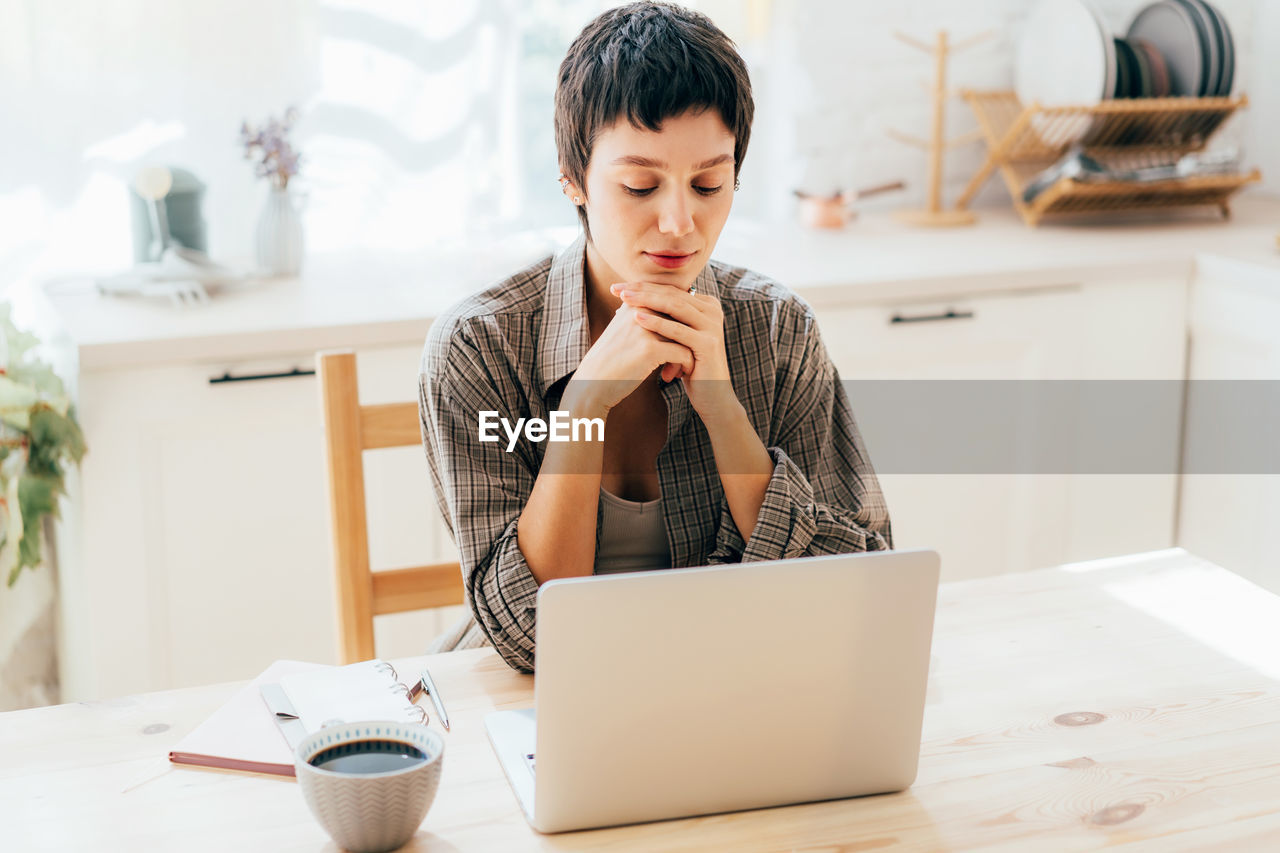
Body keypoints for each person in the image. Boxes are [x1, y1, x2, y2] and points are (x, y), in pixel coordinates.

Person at [419, 1, 891, 673]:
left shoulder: (779, 330)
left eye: (708, 184)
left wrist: (725, 411)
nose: (680, 222)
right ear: (571, 176)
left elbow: (860, 586)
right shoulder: (479, 347)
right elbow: (531, 638)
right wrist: (582, 405)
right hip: (539, 704)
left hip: (729, 682)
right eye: (640, 185)